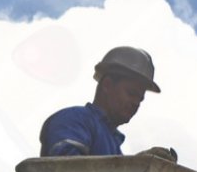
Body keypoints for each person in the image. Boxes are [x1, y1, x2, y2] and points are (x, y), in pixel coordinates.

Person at [39, 46, 176, 161]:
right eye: (131, 93)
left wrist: (140, 168)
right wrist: (134, 168)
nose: (136, 103)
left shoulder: (113, 143)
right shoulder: (73, 120)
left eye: (140, 99)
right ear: (107, 85)